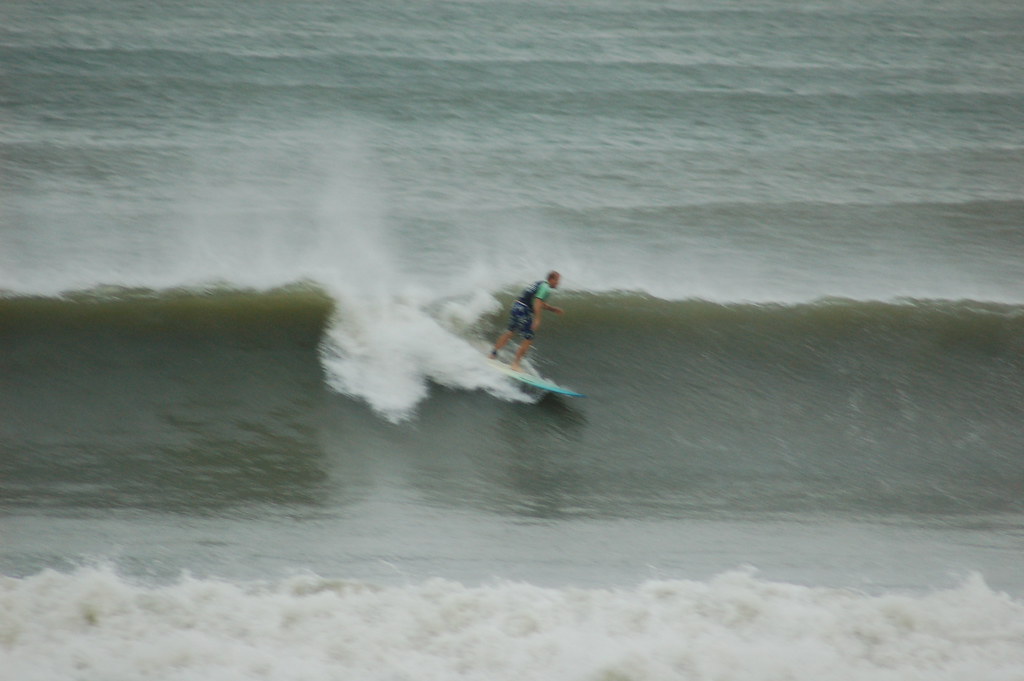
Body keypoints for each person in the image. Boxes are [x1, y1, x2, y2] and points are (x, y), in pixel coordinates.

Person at [490, 271, 564, 371]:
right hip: (523, 309)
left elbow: (540, 302)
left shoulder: (539, 284)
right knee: (529, 338)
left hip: (516, 306)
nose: (558, 283)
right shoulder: (546, 288)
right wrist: (537, 319)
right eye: (557, 281)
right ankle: (515, 364)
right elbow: (537, 302)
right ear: (551, 279)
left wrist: (553, 309)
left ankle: (493, 354)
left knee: (510, 332)